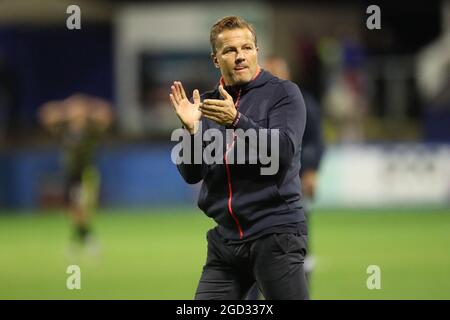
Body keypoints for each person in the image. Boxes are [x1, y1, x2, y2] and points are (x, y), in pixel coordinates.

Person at [169, 16, 308, 300]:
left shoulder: (283, 94)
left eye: (247, 48)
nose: (240, 56)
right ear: (215, 59)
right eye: (229, 50)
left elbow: (281, 152)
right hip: (226, 242)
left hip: (274, 234)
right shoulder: (206, 105)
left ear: (257, 51)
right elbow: (192, 174)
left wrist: (237, 121)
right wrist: (191, 129)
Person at [246, 56, 324, 299]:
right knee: (248, 251)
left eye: (279, 73)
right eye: (270, 72)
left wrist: (310, 170)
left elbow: (314, 140)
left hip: (291, 187)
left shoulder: (303, 102)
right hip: (253, 191)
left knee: (294, 249)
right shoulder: (247, 103)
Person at [39, 94, 113, 251]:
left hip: (87, 172)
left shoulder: (91, 129)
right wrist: (65, 109)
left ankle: (84, 240)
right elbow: (45, 114)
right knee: (72, 210)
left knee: (83, 208)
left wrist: (89, 107)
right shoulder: (63, 129)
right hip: (70, 173)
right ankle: (83, 237)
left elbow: (107, 114)